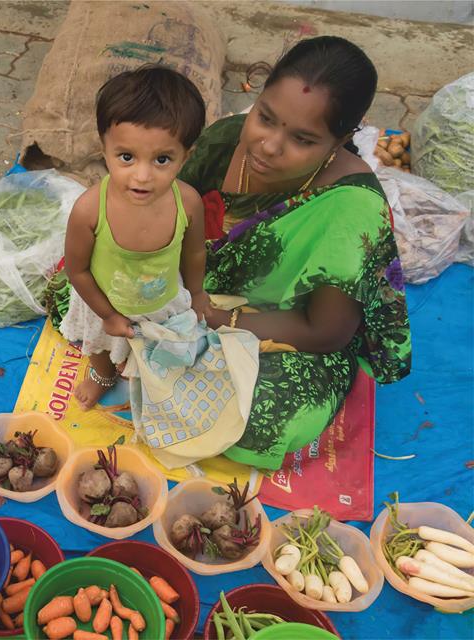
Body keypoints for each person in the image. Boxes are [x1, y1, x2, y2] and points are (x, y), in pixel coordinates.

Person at [172, 35, 411, 469]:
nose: (268, 145)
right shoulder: (226, 140)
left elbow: (326, 331)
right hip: (196, 290)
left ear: (340, 141)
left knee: (266, 419)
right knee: (84, 290)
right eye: (265, 118)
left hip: (288, 332)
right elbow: (168, 220)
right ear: (258, 96)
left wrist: (218, 321)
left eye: (302, 139)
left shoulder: (351, 208)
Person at [58, 65, 208, 410]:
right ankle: (102, 376)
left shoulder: (188, 202)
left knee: (155, 352)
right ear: (104, 148)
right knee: (98, 348)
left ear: (187, 156)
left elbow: (195, 253)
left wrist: (197, 293)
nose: (142, 176)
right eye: (126, 157)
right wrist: (107, 314)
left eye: (162, 159)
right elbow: (77, 271)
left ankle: (140, 376)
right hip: (103, 303)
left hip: (162, 300)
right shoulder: (89, 210)